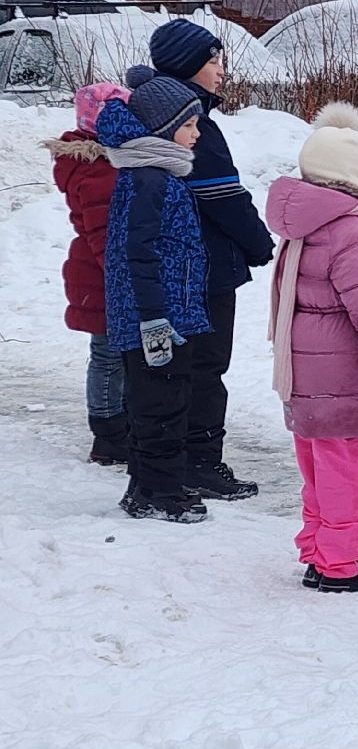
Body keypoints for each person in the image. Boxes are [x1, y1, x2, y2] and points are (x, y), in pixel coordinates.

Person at [265, 104, 358, 593]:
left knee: (319, 472)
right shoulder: (352, 235)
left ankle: (321, 553)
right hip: (346, 381)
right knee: (349, 474)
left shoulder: (300, 229)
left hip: (304, 378)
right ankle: (342, 565)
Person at [150, 18, 274, 502]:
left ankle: (165, 455)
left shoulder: (153, 110)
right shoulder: (191, 124)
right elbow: (222, 195)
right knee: (206, 364)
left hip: (174, 264)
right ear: (188, 64)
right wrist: (259, 244)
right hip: (205, 266)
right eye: (214, 60)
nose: (221, 69)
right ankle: (200, 462)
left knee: (176, 364)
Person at [98, 68, 212, 523]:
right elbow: (138, 254)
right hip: (157, 318)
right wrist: (153, 318)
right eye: (189, 125)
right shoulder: (151, 181)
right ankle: (161, 492)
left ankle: (145, 486)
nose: (196, 133)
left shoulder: (156, 174)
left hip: (165, 313)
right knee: (162, 405)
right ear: (164, 128)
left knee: (157, 400)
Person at [46, 81, 132, 466]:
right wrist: (123, 279)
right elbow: (106, 236)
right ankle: (109, 433)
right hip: (103, 277)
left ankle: (117, 423)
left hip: (100, 272)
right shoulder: (98, 170)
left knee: (116, 352)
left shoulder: (104, 163)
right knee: (109, 354)